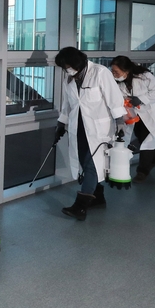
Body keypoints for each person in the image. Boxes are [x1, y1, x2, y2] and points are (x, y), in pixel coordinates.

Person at [54, 47, 125, 220]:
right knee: (85, 163)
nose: (67, 70)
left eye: (68, 66)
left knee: (92, 163)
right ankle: (98, 198)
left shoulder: (100, 72)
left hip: (99, 129)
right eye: (64, 67)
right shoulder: (69, 79)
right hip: (78, 127)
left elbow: (114, 99)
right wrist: (61, 123)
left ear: (77, 62)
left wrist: (120, 122)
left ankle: (80, 206)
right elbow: (67, 104)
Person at [110, 56, 155, 181]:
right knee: (140, 137)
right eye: (112, 71)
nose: (114, 74)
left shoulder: (144, 76)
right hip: (134, 115)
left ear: (126, 70)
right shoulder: (118, 82)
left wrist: (141, 99)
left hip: (151, 113)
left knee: (148, 141)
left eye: (116, 72)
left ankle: (142, 171)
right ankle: (153, 159)